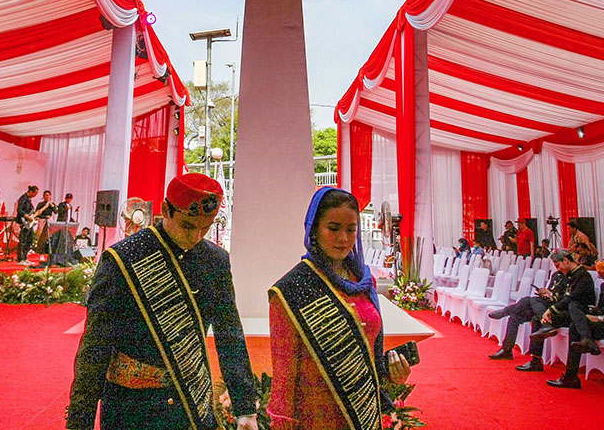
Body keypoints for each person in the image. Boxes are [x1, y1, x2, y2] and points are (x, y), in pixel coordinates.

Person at [66, 173, 258, 430]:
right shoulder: (123, 259)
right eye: (188, 226)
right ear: (166, 209)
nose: (196, 236)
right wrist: (81, 420)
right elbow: (96, 344)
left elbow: (229, 334)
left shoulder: (215, 261)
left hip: (190, 403)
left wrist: (244, 406)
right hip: (132, 408)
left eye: (206, 227)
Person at [268, 187, 410, 430]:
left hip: (365, 415)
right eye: (333, 229)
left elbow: (370, 357)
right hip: (316, 418)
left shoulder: (364, 281)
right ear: (314, 229)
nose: (343, 238)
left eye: (351, 229)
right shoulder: (291, 289)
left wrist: (392, 374)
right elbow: (284, 377)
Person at [547, 258, 604, 389]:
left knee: (575, 327)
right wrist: (592, 313)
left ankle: (571, 375)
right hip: (602, 322)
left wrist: (599, 319)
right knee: (574, 308)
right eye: (602, 277)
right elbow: (601, 307)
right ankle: (585, 341)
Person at [487, 250, 571, 359]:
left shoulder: (572, 277)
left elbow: (568, 298)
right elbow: (552, 290)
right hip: (545, 304)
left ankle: (506, 311)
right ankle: (507, 349)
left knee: (529, 301)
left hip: (558, 308)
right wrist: (546, 292)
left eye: (558, 265)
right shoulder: (556, 275)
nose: (557, 268)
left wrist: (551, 295)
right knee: (515, 315)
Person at [15, 185, 39, 263]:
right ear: (31, 192)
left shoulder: (28, 200)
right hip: (24, 222)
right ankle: (21, 258)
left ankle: (25, 257)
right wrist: (28, 217)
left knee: (30, 240)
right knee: (23, 240)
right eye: (35, 194)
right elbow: (19, 210)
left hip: (29, 223)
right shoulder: (23, 198)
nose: (35, 196)